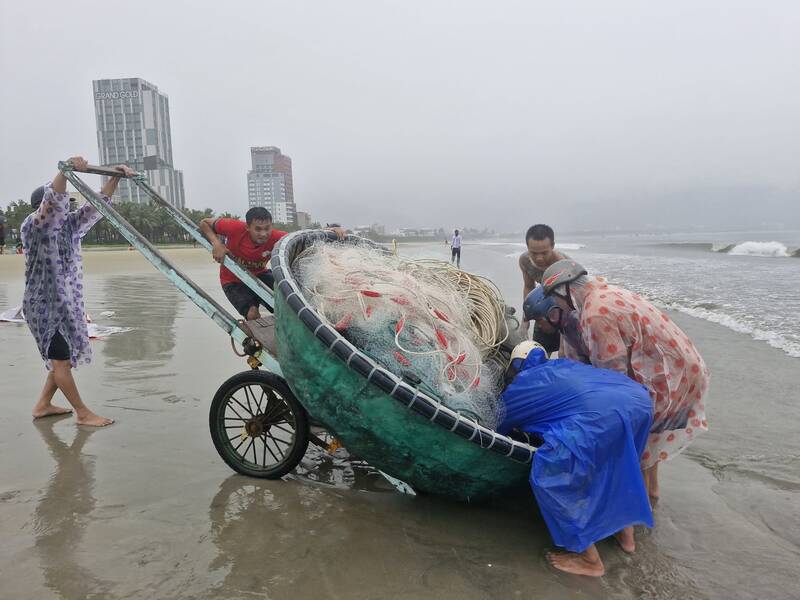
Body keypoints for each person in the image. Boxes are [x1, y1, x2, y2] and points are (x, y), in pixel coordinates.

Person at [541, 259, 710, 501]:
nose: (557, 305)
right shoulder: (606, 292)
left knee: (633, 444)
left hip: (667, 380)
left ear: (565, 291)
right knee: (648, 439)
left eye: (556, 300)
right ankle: (652, 493)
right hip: (685, 369)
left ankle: (637, 511)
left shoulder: (595, 314)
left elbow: (613, 381)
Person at [500, 341, 653, 577]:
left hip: (603, 415)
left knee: (552, 473)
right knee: (617, 465)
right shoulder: (562, 365)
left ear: (517, 367)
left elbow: (502, 419)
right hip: (639, 403)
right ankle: (626, 536)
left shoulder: (524, 383)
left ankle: (589, 559)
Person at [23, 156, 134, 426]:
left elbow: (96, 206)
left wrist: (115, 177)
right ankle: (83, 413)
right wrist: (65, 171)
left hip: (65, 304)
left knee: (64, 359)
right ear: (43, 207)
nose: (65, 211)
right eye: (59, 206)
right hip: (43, 306)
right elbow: (53, 204)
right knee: (60, 361)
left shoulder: (69, 227)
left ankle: (43, 405)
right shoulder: (35, 226)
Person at [199, 210, 346, 320]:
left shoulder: (278, 237)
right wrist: (216, 243)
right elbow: (204, 222)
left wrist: (328, 231)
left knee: (291, 302)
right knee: (252, 314)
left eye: (267, 228)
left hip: (260, 274)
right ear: (247, 227)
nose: (263, 234)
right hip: (233, 280)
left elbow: (303, 238)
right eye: (258, 229)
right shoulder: (234, 227)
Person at [518, 224, 569, 353]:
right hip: (544, 304)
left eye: (544, 253)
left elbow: (571, 300)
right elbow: (529, 287)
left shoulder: (563, 265)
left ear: (552, 246)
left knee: (566, 356)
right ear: (527, 247)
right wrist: (526, 318)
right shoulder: (525, 261)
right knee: (539, 352)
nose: (539, 258)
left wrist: (557, 324)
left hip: (567, 311)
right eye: (534, 253)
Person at [522, 286, 590, 362]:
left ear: (552, 314)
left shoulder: (579, 323)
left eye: (539, 321)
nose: (539, 326)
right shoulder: (565, 325)